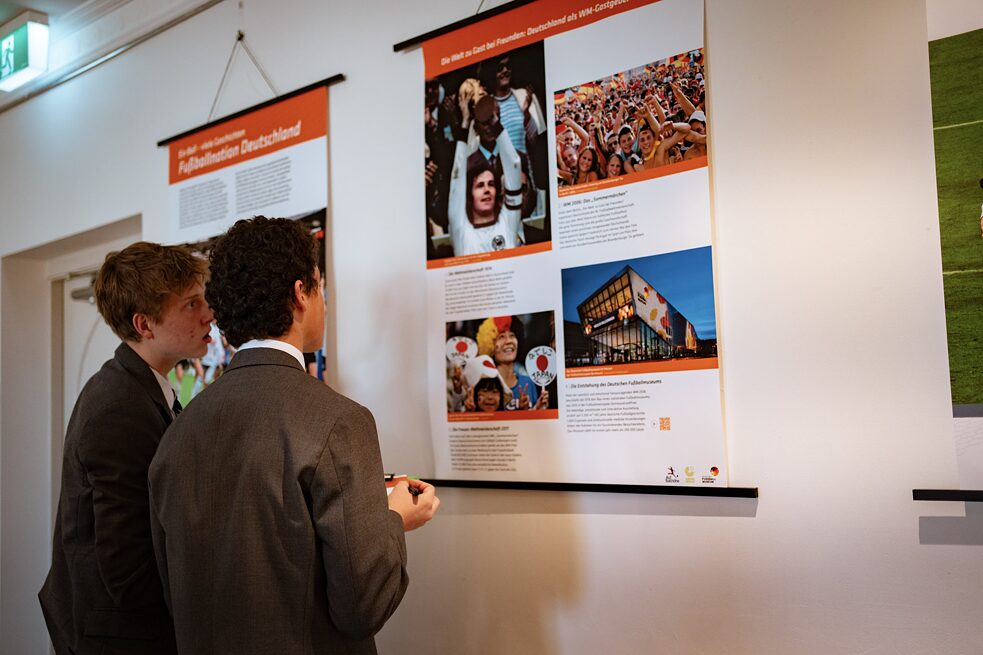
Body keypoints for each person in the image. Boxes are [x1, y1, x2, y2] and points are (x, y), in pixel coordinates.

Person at [148, 216, 439, 654]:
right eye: (321, 287)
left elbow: (177, 591)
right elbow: (363, 605)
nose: (325, 302)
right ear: (301, 294)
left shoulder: (178, 432)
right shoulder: (340, 421)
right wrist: (393, 518)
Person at [39, 242, 213, 655]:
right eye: (191, 304)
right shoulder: (119, 405)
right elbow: (128, 572)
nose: (209, 314)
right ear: (145, 324)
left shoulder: (139, 389)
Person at [476, 315, 549, 411]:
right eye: (501, 337)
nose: (508, 341)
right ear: (490, 345)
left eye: (512, 336)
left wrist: (537, 410)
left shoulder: (528, 383)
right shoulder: (484, 383)